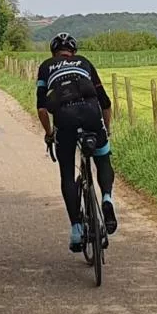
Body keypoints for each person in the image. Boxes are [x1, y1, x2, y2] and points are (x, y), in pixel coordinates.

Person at [35, 32, 117, 252]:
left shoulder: (46, 66)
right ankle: (107, 198)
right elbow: (106, 103)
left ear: (53, 52)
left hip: (65, 118)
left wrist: (49, 132)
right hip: (91, 112)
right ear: (73, 51)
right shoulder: (85, 63)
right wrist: (106, 131)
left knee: (67, 174)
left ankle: (76, 229)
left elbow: (42, 108)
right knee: (102, 156)